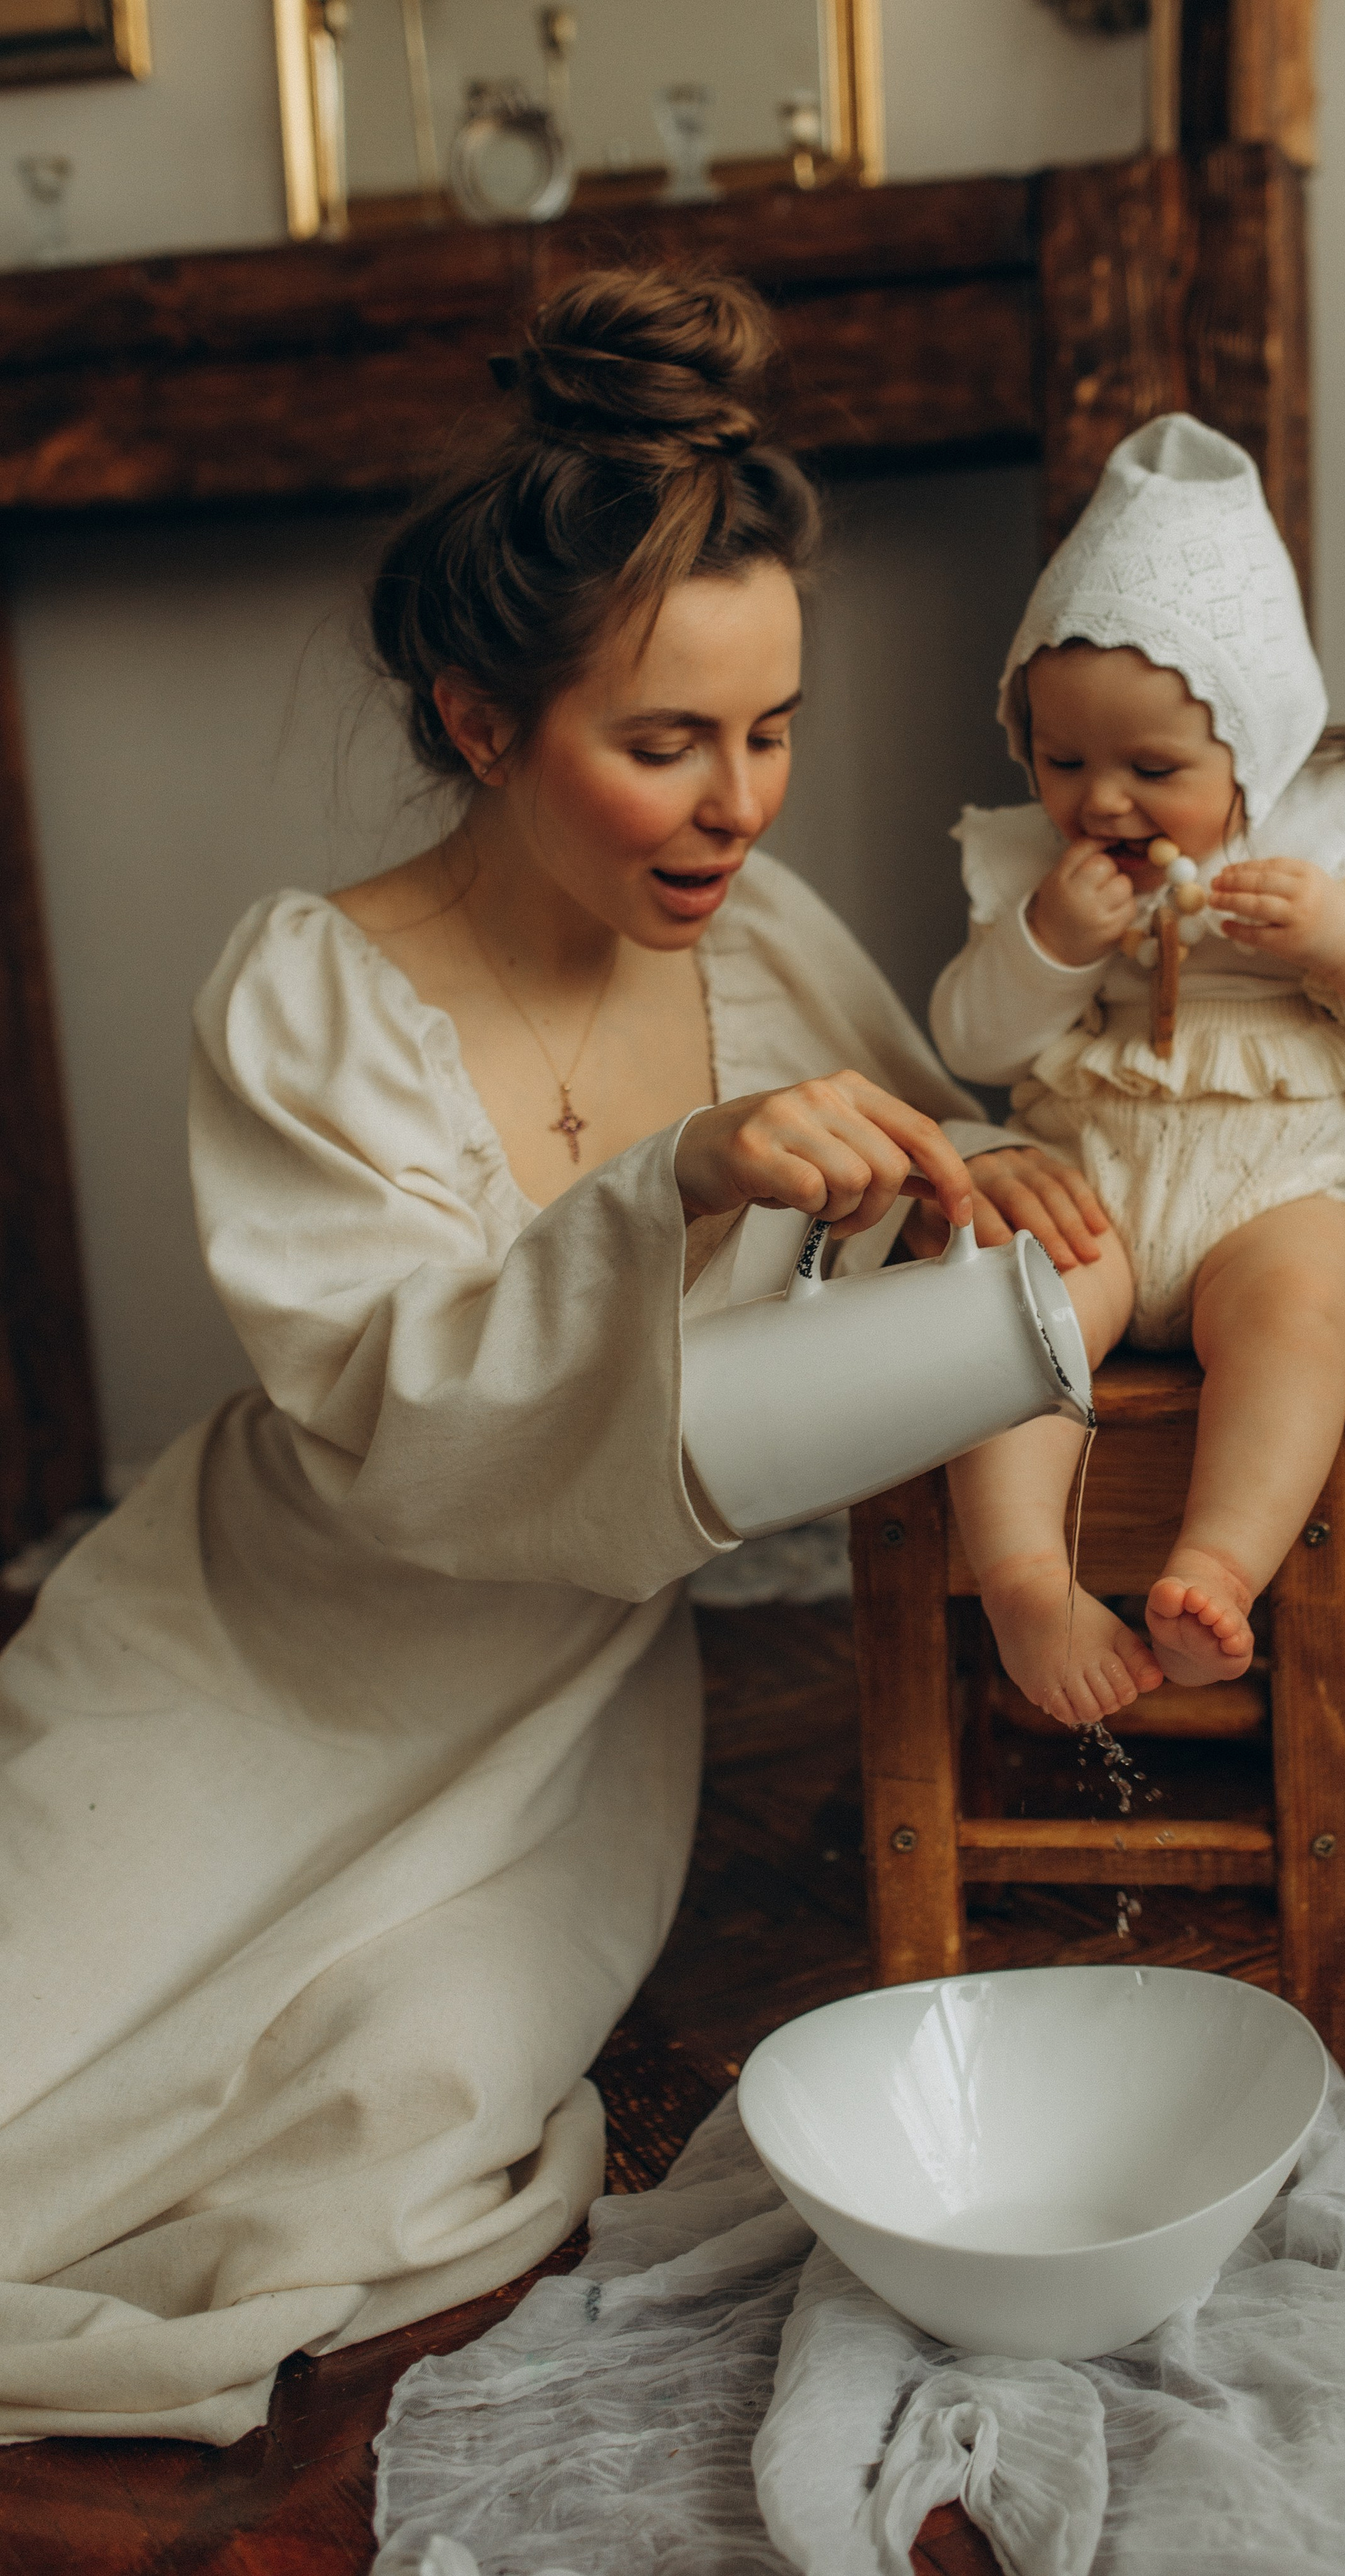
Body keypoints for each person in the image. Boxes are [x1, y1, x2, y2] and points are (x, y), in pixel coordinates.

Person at [0, 266, 1108, 2445]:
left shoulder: (771, 946)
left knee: (387, 2143)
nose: (738, 809)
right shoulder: (305, 991)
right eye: (664, 741)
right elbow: (396, 1417)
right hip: (266, 1643)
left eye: (771, 730)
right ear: (481, 717)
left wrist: (1015, 1178)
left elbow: (918, 1180)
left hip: (560, 1698)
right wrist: (679, 1177)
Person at [929, 414, 1345, 1727]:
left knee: (1301, 1315)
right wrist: (1047, 947)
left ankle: (1217, 1569)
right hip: (1098, 1196)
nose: (1103, 802)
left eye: (1154, 768)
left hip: (1284, 1193)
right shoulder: (1036, 870)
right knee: (1003, 1310)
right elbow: (969, 1044)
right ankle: (1025, 1575)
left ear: (1258, 743)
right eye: (1063, 759)